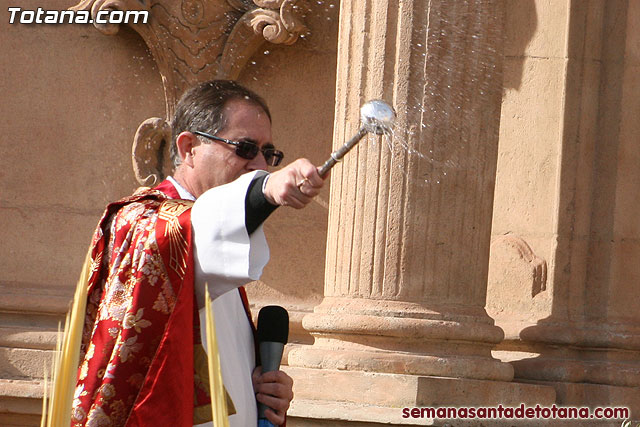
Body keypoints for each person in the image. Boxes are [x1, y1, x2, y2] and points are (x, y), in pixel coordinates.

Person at [69, 80, 324, 426]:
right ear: (188, 147)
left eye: (269, 153)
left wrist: (258, 390)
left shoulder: (218, 231)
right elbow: (191, 231)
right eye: (246, 148)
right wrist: (265, 189)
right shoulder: (141, 222)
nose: (261, 164)